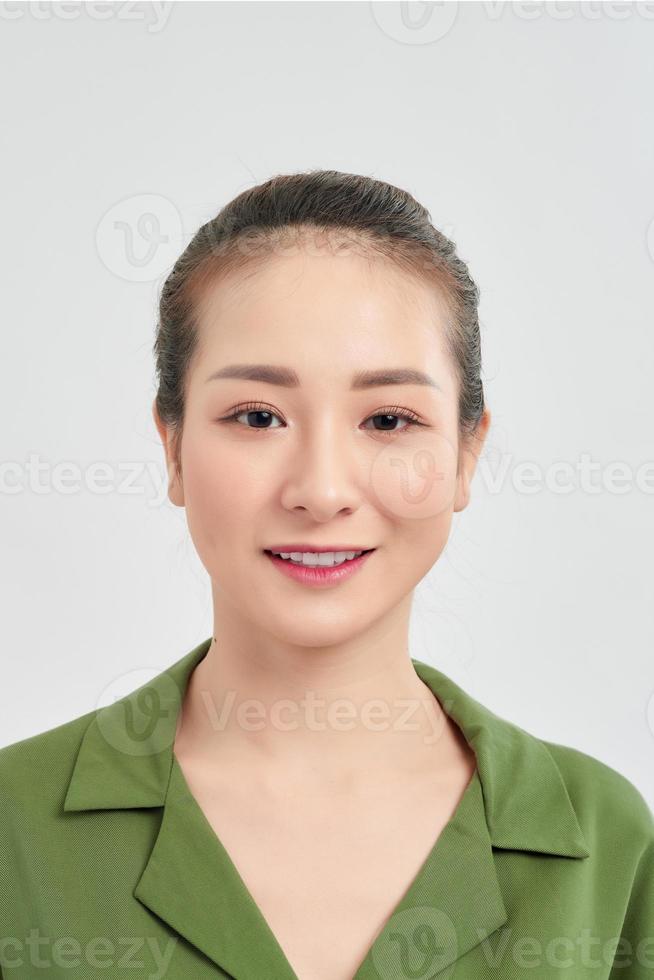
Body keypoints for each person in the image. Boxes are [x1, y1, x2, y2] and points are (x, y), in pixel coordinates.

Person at [1, 171, 652, 980]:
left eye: (388, 420)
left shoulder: (606, 844)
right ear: (172, 447)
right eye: (257, 417)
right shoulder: (14, 832)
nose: (321, 491)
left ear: (464, 455)